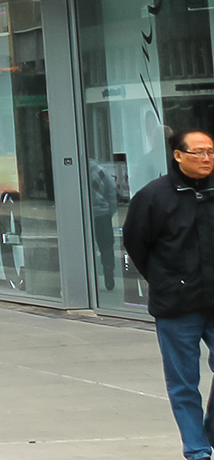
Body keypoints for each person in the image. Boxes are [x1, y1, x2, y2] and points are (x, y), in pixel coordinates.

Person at [125, 126, 214, 460]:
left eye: (211, 152)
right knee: (183, 383)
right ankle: (197, 450)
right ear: (178, 156)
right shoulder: (153, 197)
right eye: (199, 153)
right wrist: (166, 281)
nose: (207, 159)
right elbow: (136, 244)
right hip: (177, 307)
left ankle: (211, 429)